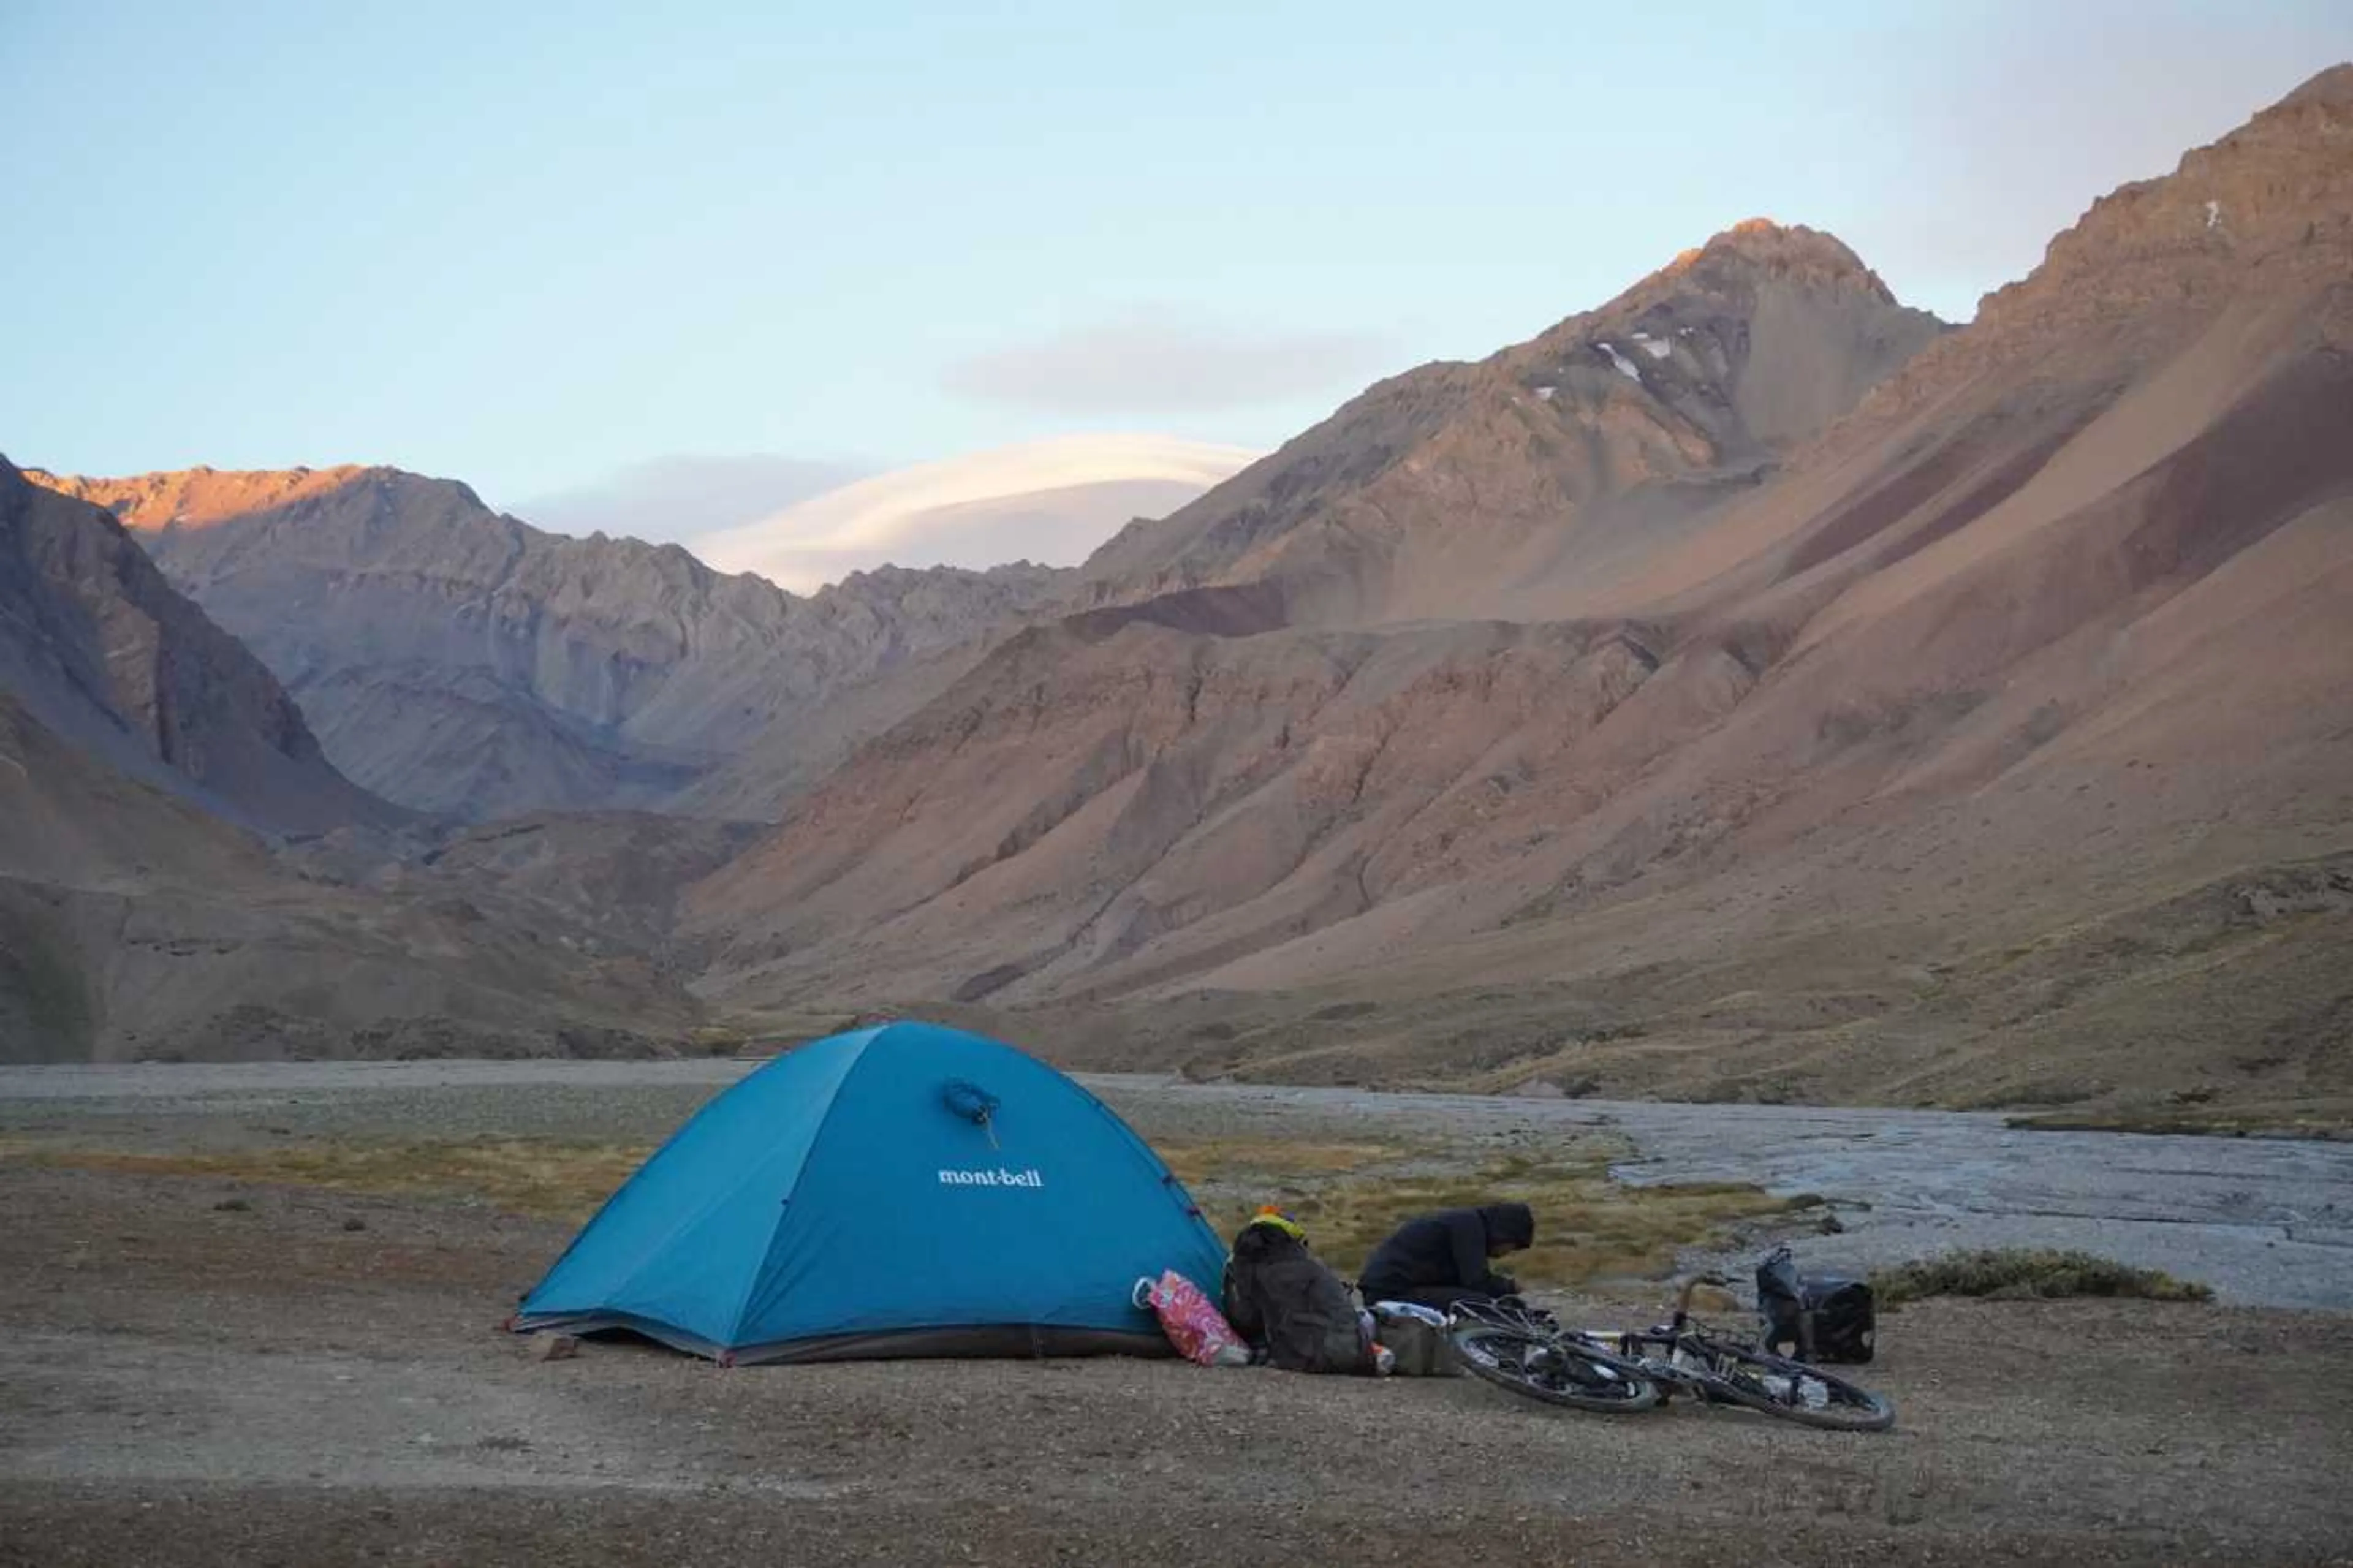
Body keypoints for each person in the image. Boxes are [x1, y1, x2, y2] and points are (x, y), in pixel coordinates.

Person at [1221, 1207, 1382, 1374]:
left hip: (1309, 1357)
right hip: (1358, 1354)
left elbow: (1245, 1321)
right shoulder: (1313, 1267)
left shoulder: (1251, 1266)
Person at [1357, 1202, 1535, 1311]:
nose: (1506, 1253)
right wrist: (1509, 1287)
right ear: (1505, 1234)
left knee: (1467, 1298)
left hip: (1384, 1289)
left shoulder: (1465, 1222)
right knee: (1480, 1304)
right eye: (1511, 1247)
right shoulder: (1469, 1228)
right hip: (1391, 1293)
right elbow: (1476, 1281)